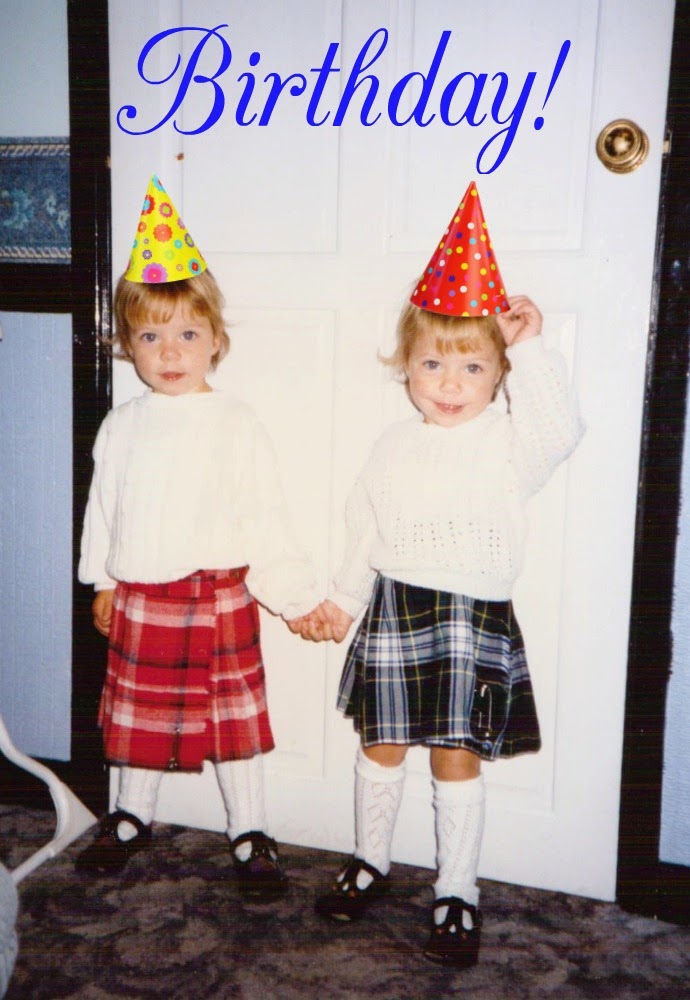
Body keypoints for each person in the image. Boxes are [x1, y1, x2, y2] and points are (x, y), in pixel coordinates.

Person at [295, 182, 583, 965]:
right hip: (396, 606)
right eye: (433, 363)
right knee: (381, 745)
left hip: (470, 614)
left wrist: (530, 348)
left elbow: (560, 432)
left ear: (497, 374)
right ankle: (370, 861)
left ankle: (458, 889)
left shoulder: (509, 442)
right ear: (406, 367)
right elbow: (365, 524)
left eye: (472, 366)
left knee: (457, 757)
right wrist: (344, 599)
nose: (451, 384)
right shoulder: (393, 446)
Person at [76, 175, 320, 901]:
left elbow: (265, 515)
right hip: (143, 594)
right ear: (129, 345)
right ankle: (130, 814)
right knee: (137, 722)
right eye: (150, 336)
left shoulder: (236, 422)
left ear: (216, 339)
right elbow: (104, 508)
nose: (170, 351)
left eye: (187, 333)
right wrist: (103, 581)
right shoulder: (123, 424)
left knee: (233, 725)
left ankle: (250, 829)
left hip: (217, 597)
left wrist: (295, 596)